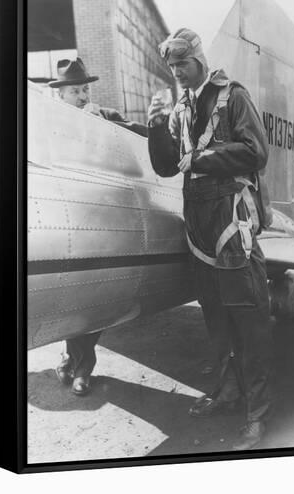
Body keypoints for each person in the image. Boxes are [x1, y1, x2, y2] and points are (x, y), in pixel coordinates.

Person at [147, 28, 274, 450]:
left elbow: (256, 151)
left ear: (199, 59)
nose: (177, 72)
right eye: (172, 65)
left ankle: (257, 413)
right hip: (197, 219)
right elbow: (168, 168)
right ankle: (227, 392)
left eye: (182, 63)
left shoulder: (231, 95)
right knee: (214, 313)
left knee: (248, 318)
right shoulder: (180, 108)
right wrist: (155, 128)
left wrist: (200, 157)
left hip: (230, 218)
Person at [48, 57, 147, 395]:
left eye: (84, 89)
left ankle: (80, 368)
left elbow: (139, 135)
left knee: (91, 299)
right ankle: (71, 359)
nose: (81, 95)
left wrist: (102, 128)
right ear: (60, 94)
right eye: (74, 90)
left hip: (103, 220)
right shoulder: (48, 123)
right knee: (70, 296)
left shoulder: (103, 116)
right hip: (68, 219)